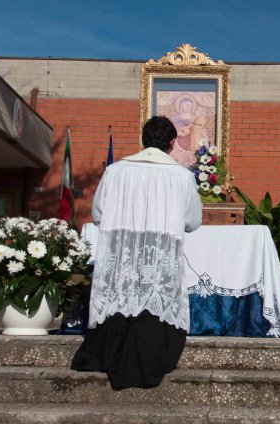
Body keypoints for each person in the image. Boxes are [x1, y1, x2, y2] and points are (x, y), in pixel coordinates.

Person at [71, 116, 203, 389]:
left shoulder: (115, 171)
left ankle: (107, 350)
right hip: (159, 253)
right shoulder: (181, 176)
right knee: (154, 296)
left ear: (143, 139)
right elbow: (193, 221)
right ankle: (149, 353)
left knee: (121, 294)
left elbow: (98, 214)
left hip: (124, 253)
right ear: (172, 142)